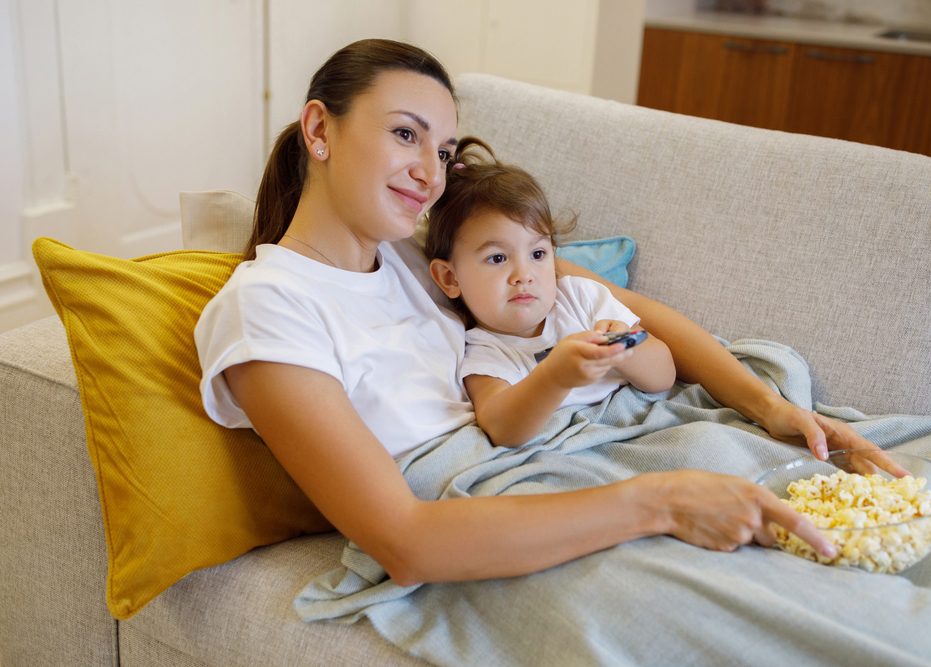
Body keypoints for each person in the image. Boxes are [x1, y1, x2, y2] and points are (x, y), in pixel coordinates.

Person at [194, 38, 889, 588]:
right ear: (320, 129)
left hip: (567, 454)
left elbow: (636, 313)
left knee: (848, 503)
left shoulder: (418, 255)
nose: (431, 173)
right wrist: (664, 501)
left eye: (439, 150)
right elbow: (405, 542)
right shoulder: (266, 308)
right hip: (482, 515)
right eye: (406, 135)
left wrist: (764, 405)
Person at [424, 139, 676, 447]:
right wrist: (555, 377)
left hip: (639, 423)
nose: (523, 276)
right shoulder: (486, 351)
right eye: (498, 258)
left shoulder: (581, 298)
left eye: (538, 254)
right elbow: (502, 429)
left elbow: (665, 375)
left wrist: (624, 350)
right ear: (450, 278)